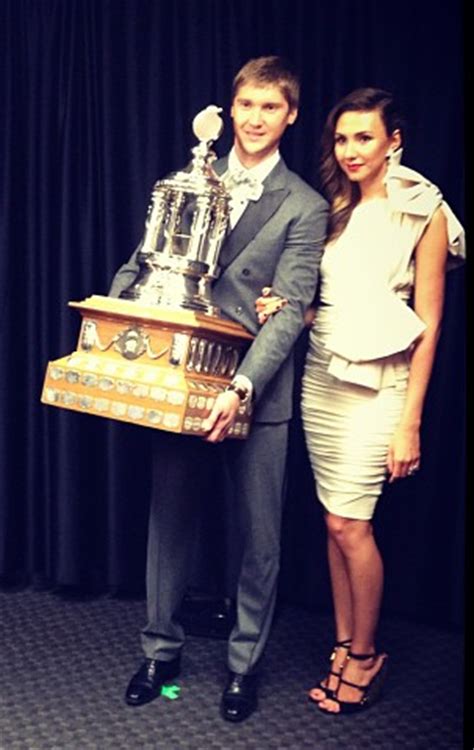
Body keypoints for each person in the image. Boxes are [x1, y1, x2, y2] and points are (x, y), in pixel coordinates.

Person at [108, 55, 328, 722]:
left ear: (289, 115)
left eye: (271, 107)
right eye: (247, 105)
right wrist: (117, 315)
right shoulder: (186, 180)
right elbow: (143, 264)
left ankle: (242, 665)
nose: (256, 118)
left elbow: (289, 308)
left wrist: (243, 385)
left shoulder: (305, 205)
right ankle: (159, 652)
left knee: (259, 538)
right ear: (230, 109)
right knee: (168, 523)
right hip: (178, 380)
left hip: (256, 394)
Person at [256, 87, 465, 715]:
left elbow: (428, 326)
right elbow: (344, 303)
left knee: (353, 523)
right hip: (322, 376)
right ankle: (345, 644)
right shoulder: (335, 208)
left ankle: (367, 657)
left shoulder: (425, 212)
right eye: (342, 139)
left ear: (392, 141)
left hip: (381, 388)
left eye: (364, 138)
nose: (350, 150)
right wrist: (293, 309)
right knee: (333, 520)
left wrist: (411, 424)